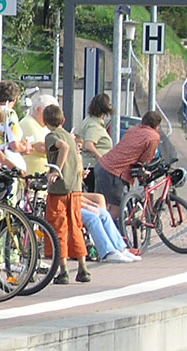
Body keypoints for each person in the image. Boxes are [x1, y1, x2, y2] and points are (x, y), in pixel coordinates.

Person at [42, 104, 90, 284]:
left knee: (58, 229)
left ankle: (63, 270)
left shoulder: (51, 136)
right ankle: (83, 268)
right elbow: (75, 154)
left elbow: (63, 148)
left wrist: (56, 170)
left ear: (44, 122)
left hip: (59, 190)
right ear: (63, 120)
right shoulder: (70, 136)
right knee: (76, 227)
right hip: (75, 189)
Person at [94, 111, 164, 234]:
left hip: (102, 165)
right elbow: (145, 160)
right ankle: (106, 236)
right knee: (116, 209)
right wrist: (145, 171)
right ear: (157, 126)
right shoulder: (153, 136)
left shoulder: (133, 130)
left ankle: (93, 234)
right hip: (116, 172)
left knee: (101, 205)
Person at [78, 193, 141, 263]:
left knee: (104, 214)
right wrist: (87, 207)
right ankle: (108, 252)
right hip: (70, 207)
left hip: (76, 203)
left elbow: (77, 195)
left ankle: (120, 249)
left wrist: (91, 204)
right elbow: (71, 198)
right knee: (93, 218)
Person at [0, 80, 32, 172]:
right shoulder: (10, 114)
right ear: (15, 99)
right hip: (6, 163)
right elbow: (14, 145)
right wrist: (25, 148)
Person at [17, 94, 59, 176]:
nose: (51, 116)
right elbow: (41, 147)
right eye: (48, 113)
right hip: (32, 175)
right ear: (38, 109)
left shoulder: (45, 126)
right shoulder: (28, 123)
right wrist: (60, 145)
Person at [77, 94, 114, 169]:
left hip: (87, 164)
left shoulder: (88, 120)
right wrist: (102, 160)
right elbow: (89, 145)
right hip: (93, 166)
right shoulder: (94, 126)